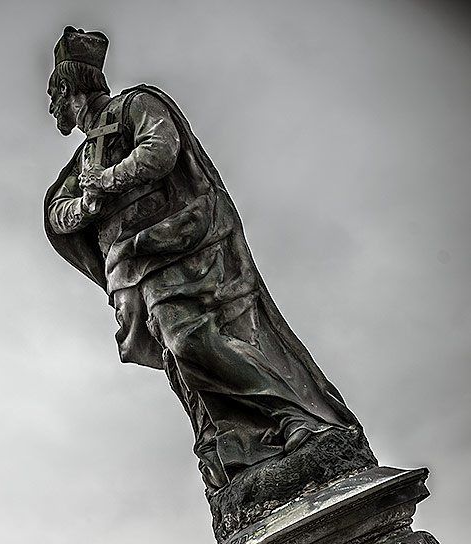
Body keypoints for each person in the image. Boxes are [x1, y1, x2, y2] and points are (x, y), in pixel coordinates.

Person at [45, 27, 363, 494]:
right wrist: (86, 205)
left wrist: (108, 182)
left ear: (68, 87)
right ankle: (240, 443)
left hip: (175, 244)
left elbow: (161, 149)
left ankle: (297, 415)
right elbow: (57, 214)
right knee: (180, 364)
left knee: (190, 340)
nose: (52, 106)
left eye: (53, 94)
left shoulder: (134, 106)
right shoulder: (79, 162)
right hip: (128, 269)